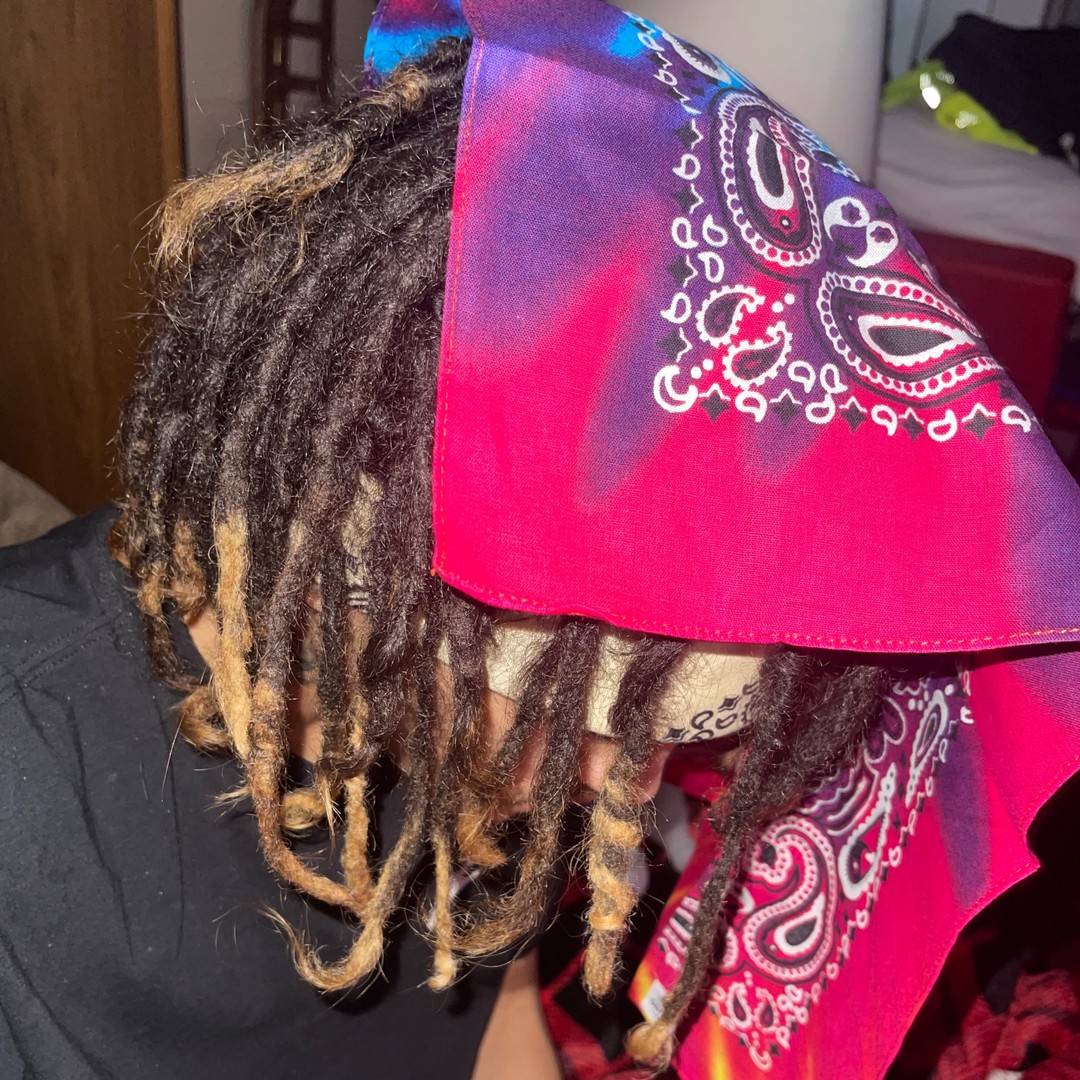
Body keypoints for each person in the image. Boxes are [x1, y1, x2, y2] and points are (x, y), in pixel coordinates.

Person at [2, 1, 1079, 1078]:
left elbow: (494, 1023)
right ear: (363, 562)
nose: (634, 788)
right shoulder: (31, 789)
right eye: (608, 724)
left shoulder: (462, 728)